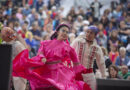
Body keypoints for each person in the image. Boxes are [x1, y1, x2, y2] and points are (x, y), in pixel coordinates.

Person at [13, 24, 91, 90]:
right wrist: (42, 57)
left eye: (67, 32)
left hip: (59, 73)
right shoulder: (46, 43)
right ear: (57, 32)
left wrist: (78, 72)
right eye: (63, 30)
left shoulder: (68, 48)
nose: (65, 33)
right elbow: (40, 52)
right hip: (45, 70)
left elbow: (76, 62)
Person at [71, 26, 106, 90]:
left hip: (89, 75)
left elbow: (101, 63)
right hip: (76, 73)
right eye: (87, 32)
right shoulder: (78, 42)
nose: (88, 34)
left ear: (95, 35)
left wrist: (103, 76)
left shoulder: (97, 48)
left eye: (91, 33)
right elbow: (69, 52)